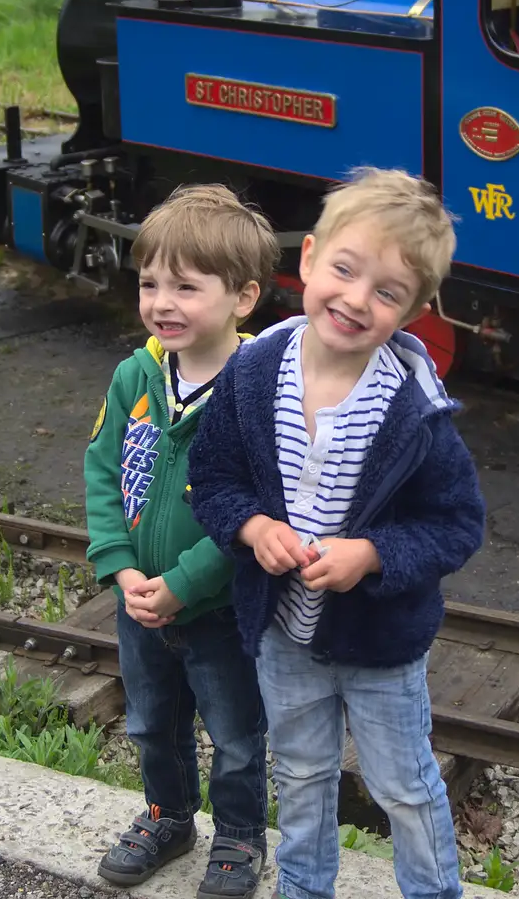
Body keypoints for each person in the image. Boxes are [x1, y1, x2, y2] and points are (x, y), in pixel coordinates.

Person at [187, 167, 487, 899]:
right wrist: (254, 527)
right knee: (302, 773)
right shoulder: (253, 372)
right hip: (285, 636)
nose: (356, 299)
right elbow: (214, 475)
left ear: (412, 312)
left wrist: (374, 554)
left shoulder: (413, 410)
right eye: (346, 271)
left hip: (381, 647)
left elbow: (456, 523)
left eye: (386, 293)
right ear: (311, 258)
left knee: (405, 786)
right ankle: (303, 889)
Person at [83, 184, 280, 899]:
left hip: (220, 609)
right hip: (139, 602)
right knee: (150, 721)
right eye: (149, 283)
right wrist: (120, 567)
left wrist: (185, 584)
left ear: (243, 297)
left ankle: (238, 834)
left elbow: (256, 511)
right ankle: (168, 816)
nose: (162, 301)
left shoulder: (255, 393)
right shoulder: (136, 376)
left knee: (234, 733)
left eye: (185, 287)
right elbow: (103, 468)